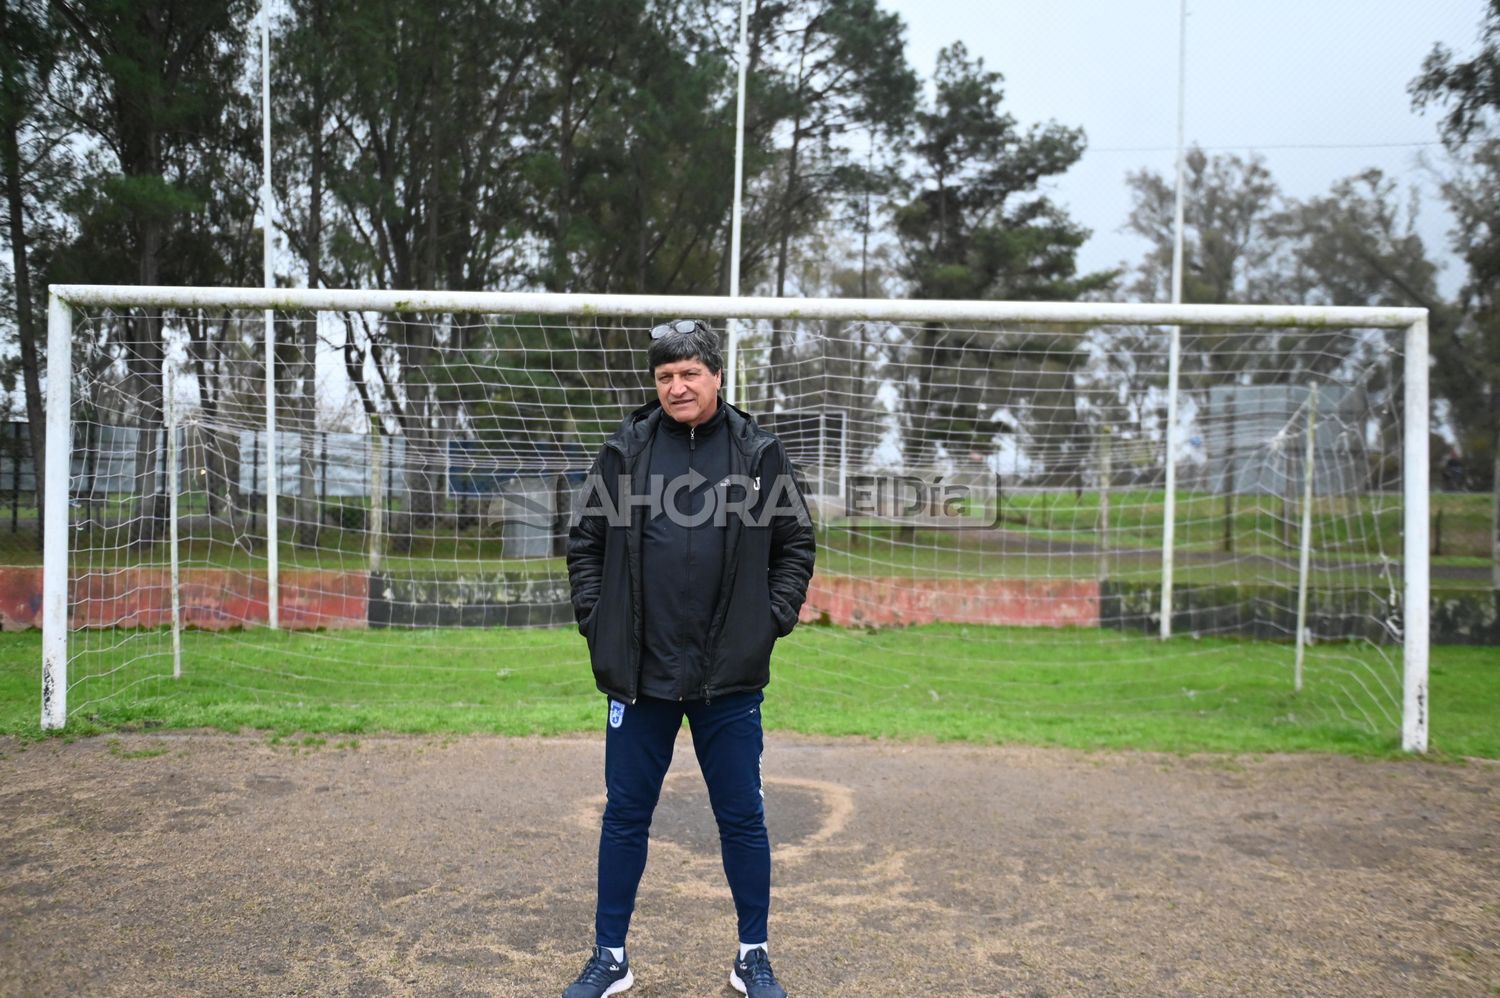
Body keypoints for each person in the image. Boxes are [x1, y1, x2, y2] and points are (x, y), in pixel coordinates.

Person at [563, 318, 816, 998]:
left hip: (727, 678)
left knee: (741, 816)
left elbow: (796, 545)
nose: (677, 386)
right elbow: (584, 544)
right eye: (665, 377)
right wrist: (600, 624)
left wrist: (769, 621)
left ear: (716, 376)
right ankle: (610, 957)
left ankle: (752, 956)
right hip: (640, 674)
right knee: (624, 816)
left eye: (689, 374)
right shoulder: (625, 450)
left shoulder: (758, 453)